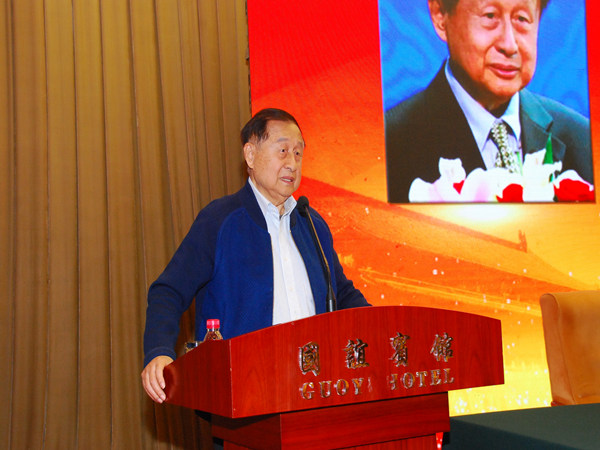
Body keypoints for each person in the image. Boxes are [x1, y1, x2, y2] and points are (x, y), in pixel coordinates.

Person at [141, 108, 370, 403]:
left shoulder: (313, 224)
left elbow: (343, 294)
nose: (292, 163)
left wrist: (384, 328)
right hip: (243, 394)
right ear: (250, 155)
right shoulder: (219, 221)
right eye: (283, 151)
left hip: (315, 390)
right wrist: (159, 351)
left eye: (298, 153)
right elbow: (169, 290)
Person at [384, 0, 593, 203]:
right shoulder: (391, 147)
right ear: (440, 14)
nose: (509, 45)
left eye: (522, 19)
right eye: (490, 16)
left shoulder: (584, 142)